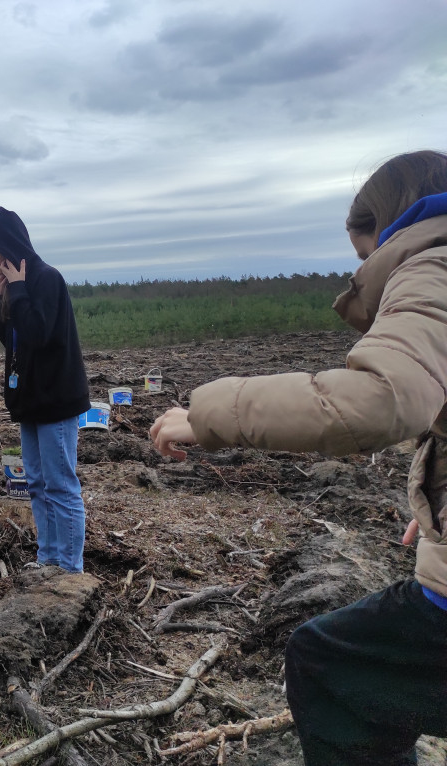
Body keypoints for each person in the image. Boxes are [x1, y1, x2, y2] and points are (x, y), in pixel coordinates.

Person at [149, 150, 447, 765]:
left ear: (390, 227)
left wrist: (211, 416)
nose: (367, 274)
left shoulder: (434, 265)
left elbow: (377, 398)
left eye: (366, 258)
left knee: (328, 665)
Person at [0, 207, 90, 573]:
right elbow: (10, 338)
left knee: (60, 486)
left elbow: (38, 334)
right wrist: (1, 297)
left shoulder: (46, 279)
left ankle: (70, 569)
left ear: (5, 246)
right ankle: (47, 557)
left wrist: (18, 290)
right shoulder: (15, 285)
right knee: (36, 484)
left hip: (55, 401)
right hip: (30, 402)